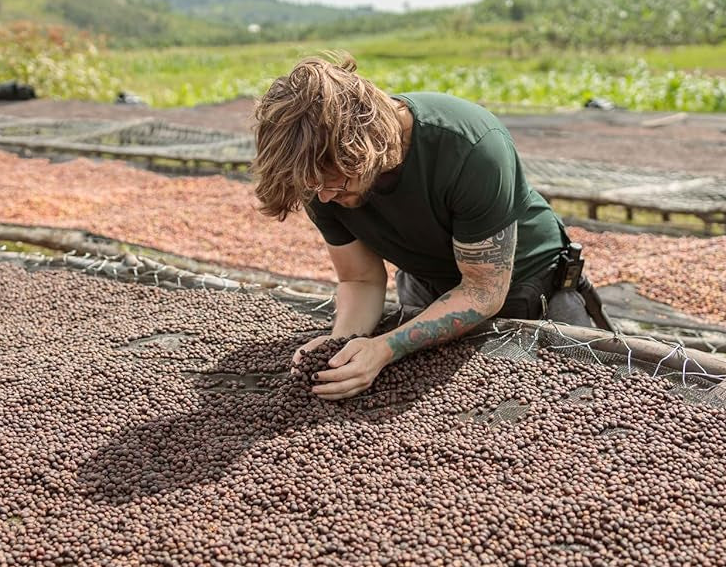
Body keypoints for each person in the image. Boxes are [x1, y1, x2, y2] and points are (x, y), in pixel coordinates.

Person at [251, 53, 610, 401]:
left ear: (365, 146)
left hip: (529, 289)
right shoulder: (316, 176)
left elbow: (483, 291)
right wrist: (341, 346)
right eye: (315, 187)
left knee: (570, 397)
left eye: (338, 182)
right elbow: (359, 279)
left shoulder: (468, 146)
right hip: (431, 287)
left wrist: (387, 346)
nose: (325, 197)